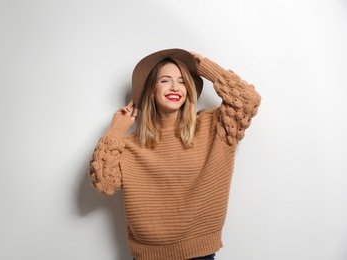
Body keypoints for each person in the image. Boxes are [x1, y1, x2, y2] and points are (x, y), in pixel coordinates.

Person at [88, 48, 261, 260]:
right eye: (165, 81)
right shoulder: (130, 145)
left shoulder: (214, 127)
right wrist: (116, 129)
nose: (174, 87)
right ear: (150, 90)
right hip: (147, 256)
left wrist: (204, 66)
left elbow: (248, 100)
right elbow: (104, 183)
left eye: (182, 81)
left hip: (200, 254)